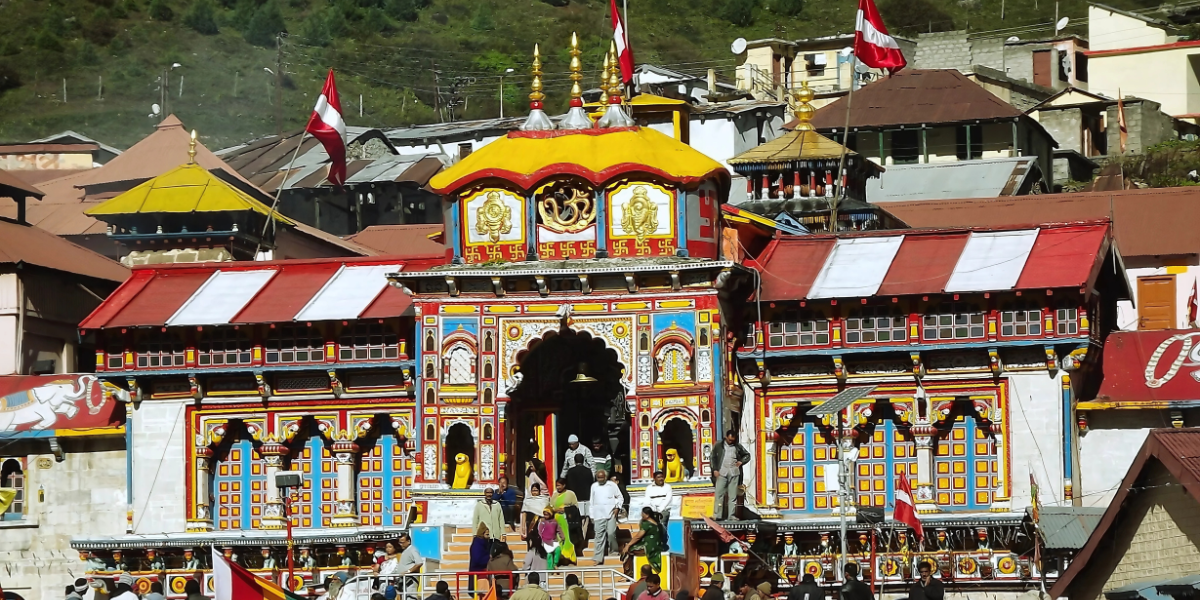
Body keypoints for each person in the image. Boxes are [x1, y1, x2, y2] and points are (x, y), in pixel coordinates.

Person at [710, 430, 750, 521]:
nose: (731, 441)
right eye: (729, 440)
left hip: (734, 472)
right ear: (726, 437)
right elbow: (712, 457)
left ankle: (731, 515)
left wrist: (741, 462)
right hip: (722, 472)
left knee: (732, 496)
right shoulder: (719, 445)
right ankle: (717, 514)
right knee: (719, 494)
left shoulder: (737, 446)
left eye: (732, 440)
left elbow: (747, 455)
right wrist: (715, 469)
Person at [589, 469, 623, 565]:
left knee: (611, 533)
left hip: (611, 513)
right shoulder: (594, 486)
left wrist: (617, 508)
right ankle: (598, 558)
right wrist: (591, 515)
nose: (600, 479)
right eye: (598, 477)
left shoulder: (612, 485)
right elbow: (591, 501)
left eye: (601, 477)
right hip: (598, 515)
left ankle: (614, 551)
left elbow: (620, 497)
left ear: (606, 477)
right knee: (599, 536)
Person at [622, 507, 667, 573]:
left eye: (642, 513)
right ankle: (629, 570)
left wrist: (628, 545)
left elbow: (638, 537)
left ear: (647, 515)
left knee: (629, 549)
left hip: (649, 546)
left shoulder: (647, 524)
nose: (641, 515)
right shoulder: (657, 523)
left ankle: (629, 570)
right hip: (657, 545)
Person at [550, 478, 580, 565]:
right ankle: (559, 559)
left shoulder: (570, 494)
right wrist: (555, 510)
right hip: (556, 520)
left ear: (564, 485)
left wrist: (565, 509)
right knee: (558, 538)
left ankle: (569, 558)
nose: (558, 487)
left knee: (567, 538)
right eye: (557, 485)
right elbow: (551, 506)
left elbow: (575, 507)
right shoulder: (555, 495)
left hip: (566, 520)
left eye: (559, 485)